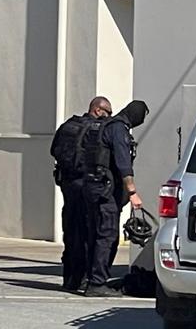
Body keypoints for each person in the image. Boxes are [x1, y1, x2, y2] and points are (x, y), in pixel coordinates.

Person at [83, 100, 149, 297]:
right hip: (106, 191)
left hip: (93, 187)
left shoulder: (105, 125)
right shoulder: (118, 129)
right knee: (107, 236)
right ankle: (97, 283)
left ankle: (90, 278)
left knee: (94, 235)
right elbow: (122, 162)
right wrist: (132, 192)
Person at [50, 96, 112, 291]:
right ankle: (84, 278)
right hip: (84, 184)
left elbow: (54, 150)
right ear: (97, 110)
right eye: (107, 112)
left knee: (71, 231)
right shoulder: (95, 130)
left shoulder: (68, 125)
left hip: (67, 184)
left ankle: (70, 278)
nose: (108, 117)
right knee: (87, 232)